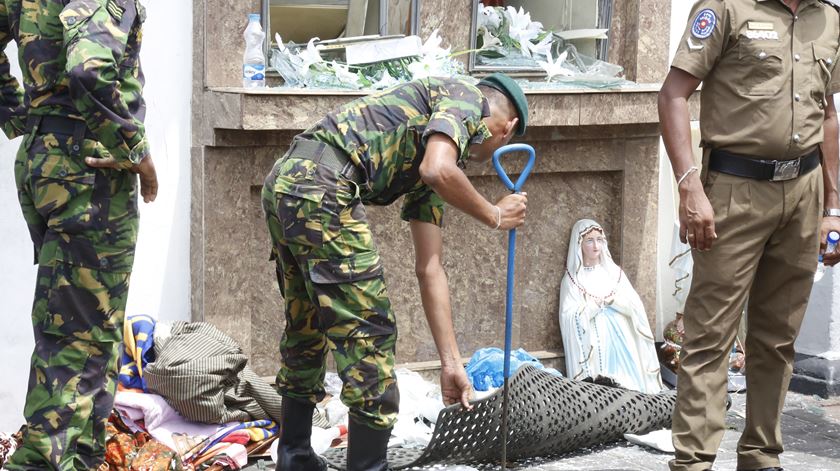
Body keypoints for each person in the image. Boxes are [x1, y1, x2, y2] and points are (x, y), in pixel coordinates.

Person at [262, 73, 528, 470]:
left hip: (287, 182)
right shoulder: (467, 98)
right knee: (371, 334)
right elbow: (438, 170)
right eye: (501, 144)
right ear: (506, 130)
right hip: (323, 186)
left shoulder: (435, 143)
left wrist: (451, 362)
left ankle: (295, 454)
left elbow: (430, 268)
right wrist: (494, 214)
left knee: (307, 324)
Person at [659, 1, 840, 470]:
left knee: (778, 338)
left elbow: (827, 113)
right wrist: (688, 186)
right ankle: (694, 462)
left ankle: (762, 455)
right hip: (735, 191)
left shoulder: (830, 19)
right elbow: (673, 94)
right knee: (710, 336)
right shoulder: (725, 8)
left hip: (804, 190)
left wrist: (833, 208)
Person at [0, 0, 158, 469]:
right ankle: (39, 462)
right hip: (87, 171)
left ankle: (83, 458)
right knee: (76, 335)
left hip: (48, 163)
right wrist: (135, 150)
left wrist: (22, 119)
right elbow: (88, 69)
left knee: (96, 327)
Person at [559, 219, 663, 394]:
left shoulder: (614, 272)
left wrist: (614, 302)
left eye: (599, 240)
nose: (596, 246)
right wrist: (591, 308)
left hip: (622, 337)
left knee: (629, 378)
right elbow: (568, 316)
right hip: (595, 342)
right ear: (579, 243)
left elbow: (635, 305)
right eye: (589, 240)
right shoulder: (572, 280)